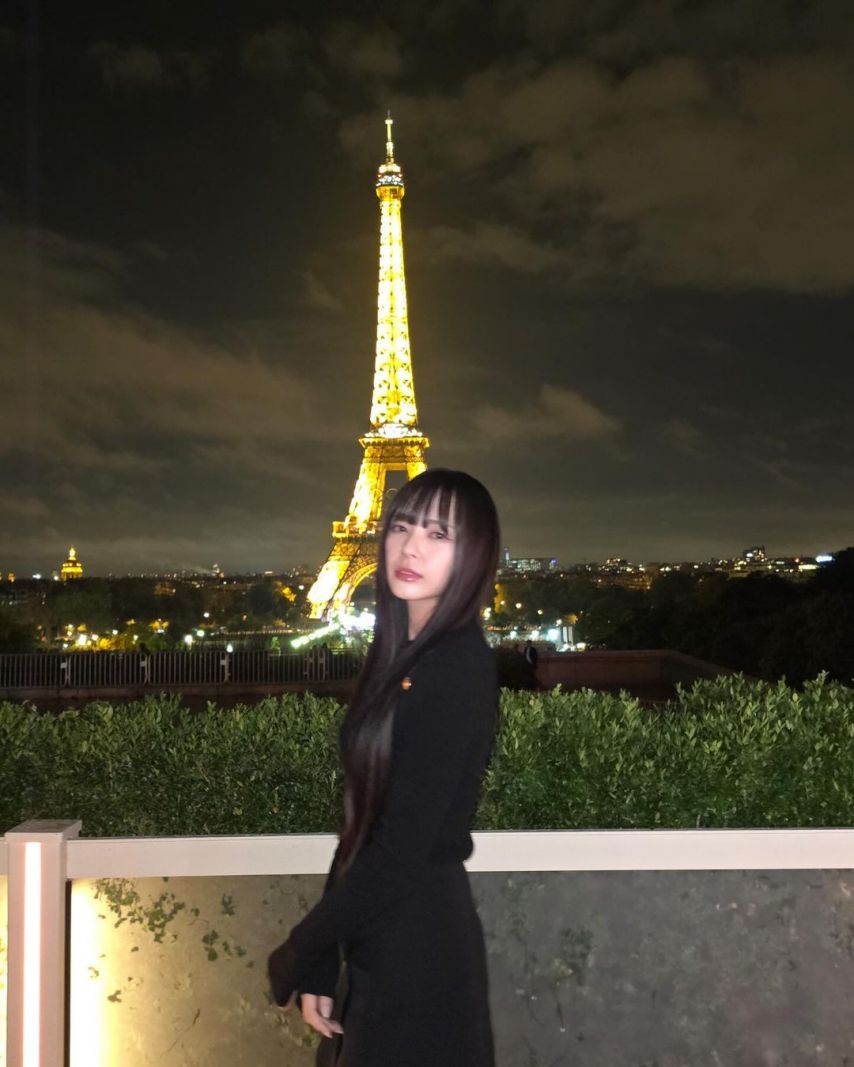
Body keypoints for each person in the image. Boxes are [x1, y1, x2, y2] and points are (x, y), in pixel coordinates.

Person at [268, 468, 501, 1067]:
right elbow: (363, 824)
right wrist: (323, 958)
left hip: (419, 944)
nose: (411, 547)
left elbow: (400, 846)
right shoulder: (404, 658)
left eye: (438, 534)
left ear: (473, 555)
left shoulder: (456, 666)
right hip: (383, 932)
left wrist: (302, 947)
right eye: (401, 526)